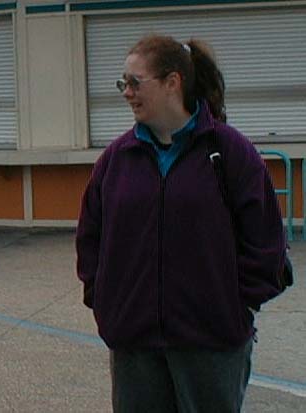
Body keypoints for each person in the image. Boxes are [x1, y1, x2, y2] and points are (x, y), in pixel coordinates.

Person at [75, 34, 286, 413]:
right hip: (134, 345)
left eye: (135, 82)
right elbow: (91, 238)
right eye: (123, 83)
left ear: (173, 82)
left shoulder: (230, 152)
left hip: (211, 345)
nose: (127, 92)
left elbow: (266, 242)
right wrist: (107, 302)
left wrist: (232, 306)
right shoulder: (116, 160)